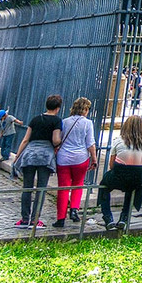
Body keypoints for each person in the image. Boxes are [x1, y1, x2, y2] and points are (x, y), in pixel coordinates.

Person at [13, 94, 64, 228]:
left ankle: (24, 219)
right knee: (41, 188)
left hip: (30, 153)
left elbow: (25, 139)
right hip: (45, 156)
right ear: (58, 108)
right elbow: (55, 140)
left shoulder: (36, 119)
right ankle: (35, 220)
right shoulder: (57, 121)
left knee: (27, 188)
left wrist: (17, 156)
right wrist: (60, 142)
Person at [96, 115, 142, 231]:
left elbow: (111, 165)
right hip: (138, 177)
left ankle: (108, 217)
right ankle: (124, 217)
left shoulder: (118, 140)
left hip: (119, 174)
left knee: (104, 185)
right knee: (132, 188)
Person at [54, 97, 98, 227]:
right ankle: (74, 210)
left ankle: (60, 218)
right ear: (85, 109)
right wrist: (94, 158)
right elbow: (90, 143)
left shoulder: (64, 122)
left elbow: (59, 139)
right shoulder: (87, 123)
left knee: (63, 188)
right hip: (80, 158)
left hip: (63, 158)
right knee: (78, 184)